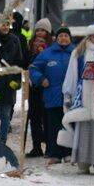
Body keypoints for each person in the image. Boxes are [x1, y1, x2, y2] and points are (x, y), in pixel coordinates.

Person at [59, 23, 94, 174]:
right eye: (93, 37)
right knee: (83, 132)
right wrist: (68, 94)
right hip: (81, 99)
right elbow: (71, 75)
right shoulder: (79, 53)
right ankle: (82, 162)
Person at [30, 26, 74, 163]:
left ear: (70, 38)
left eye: (66, 36)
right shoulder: (46, 54)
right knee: (53, 126)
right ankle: (54, 153)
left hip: (70, 97)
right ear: (56, 38)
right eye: (61, 36)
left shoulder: (76, 53)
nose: (63, 38)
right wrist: (41, 79)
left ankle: (68, 152)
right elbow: (33, 68)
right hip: (52, 96)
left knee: (69, 125)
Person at [0, 18, 24, 146]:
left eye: (7, 24)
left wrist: (17, 80)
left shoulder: (15, 40)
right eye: (2, 24)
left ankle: (3, 142)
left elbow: (19, 61)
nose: (5, 27)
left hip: (9, 81)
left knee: (6, 114)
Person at [25, 18, 53, 157]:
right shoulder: (30, 45)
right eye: (38, 30)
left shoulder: (52, 46)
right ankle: (36, 146)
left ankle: (48, 144)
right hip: (33, 86)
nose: (40, 33)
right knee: (34, 117)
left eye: (43, 30)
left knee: (46, 117)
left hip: (47, 85)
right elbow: (26, 63)